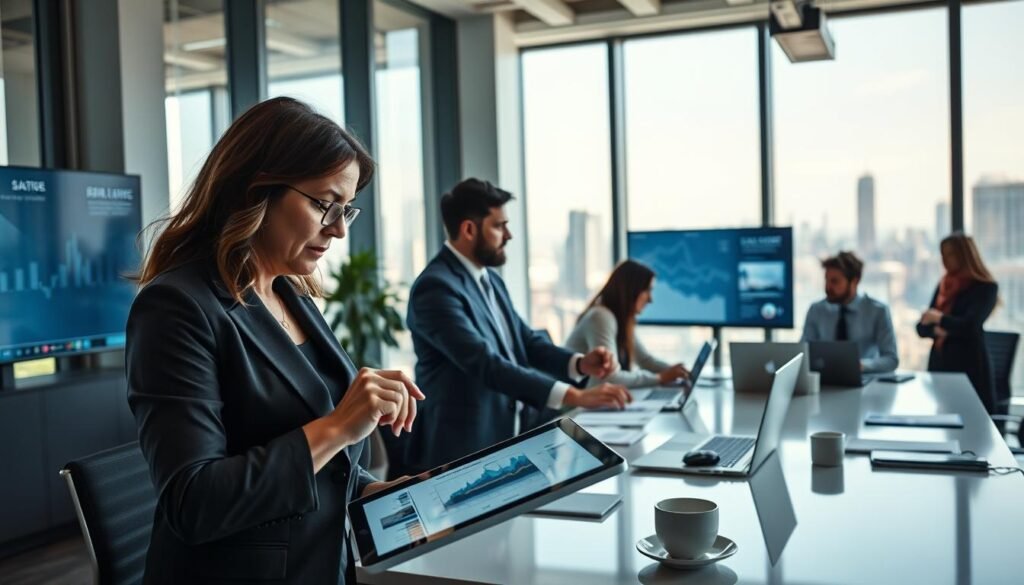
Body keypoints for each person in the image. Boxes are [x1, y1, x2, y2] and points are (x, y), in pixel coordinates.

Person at [126, 97, 423, 584]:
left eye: (347, 209)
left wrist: (375, 493)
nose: (339, 229)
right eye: (324, 204)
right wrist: (337, 427)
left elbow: (315, 464)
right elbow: (194, 501)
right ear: (255, 189)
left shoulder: (290, 293)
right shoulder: (176, 307)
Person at [403, 178, 632, 473]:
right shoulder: (435, 288)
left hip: (507, 436)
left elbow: (525, 342)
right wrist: (575, 396)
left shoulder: (491, 280)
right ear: (469, 229)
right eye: (499, 226)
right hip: (462, 449)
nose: (508, 235)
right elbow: (485, 363)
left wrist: (579, 363)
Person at [563, 260, 690, 388]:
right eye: (647, 290)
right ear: (631, 290)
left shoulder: (620, 319)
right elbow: (609, 378)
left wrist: (678, 372)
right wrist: (660, 378)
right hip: (576, 406)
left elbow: (645, 360)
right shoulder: (600, 317)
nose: (651, 299)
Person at [916, 233, 999, 412]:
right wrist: (943, 329)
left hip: (970, 368)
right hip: (939, 366)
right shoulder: (943, 285)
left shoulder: (985, 288)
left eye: (950, 254)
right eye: (942, 254)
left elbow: (970, 325)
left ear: (964, 255)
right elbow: (922, 328)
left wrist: (938, 319)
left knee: (973, 425)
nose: (944, 260)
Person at [801, 251, 899, 373]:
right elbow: (803, 353)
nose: (827, 287)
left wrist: (861, 366)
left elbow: (891, 359)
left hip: (864, 381)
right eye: (826, 280)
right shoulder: (816, 310)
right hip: (825, 382)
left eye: (835, 281)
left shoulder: (878, 311)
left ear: (855, 281)